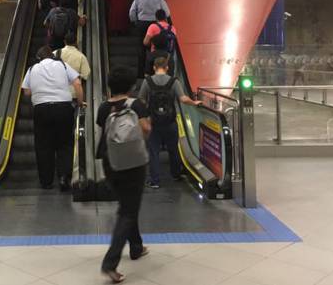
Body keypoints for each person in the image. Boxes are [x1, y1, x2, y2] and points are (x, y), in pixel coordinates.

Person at [96, 66, 150, 282]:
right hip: (134, 163)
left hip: (111, 162)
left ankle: (136, 246)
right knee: (127, 210)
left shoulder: (102, 108)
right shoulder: (136, 104)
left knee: (127, 204)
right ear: (131, 85)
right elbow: (146, 128)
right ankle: (110, 263)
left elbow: (103, 131)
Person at [22, 45, 84, 191]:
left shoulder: (32, 69)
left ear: (39, 58)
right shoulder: (62, 65)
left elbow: (26, 92)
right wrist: (80, 102)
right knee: (65, 144)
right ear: (52, 55)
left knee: (44, 146)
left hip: (42, 110)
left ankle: (46, 181)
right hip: (63, 108)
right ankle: (64, 178)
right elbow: (77, 83)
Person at [139, 57, 201, 188]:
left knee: (154, 151)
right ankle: (176, 174)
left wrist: (145, 116)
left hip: (154, 122)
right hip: (170, 121)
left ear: (154, 67)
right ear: (167, 67)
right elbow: (183, 99)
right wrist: (194, 102)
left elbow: (141, 100)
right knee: (173, 149)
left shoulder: (147, 81)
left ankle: (155, 180)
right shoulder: (174, 81)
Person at [129, 0, 170, 78]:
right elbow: (167, 13)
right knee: (154, 49)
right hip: (155, 25)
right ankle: (153, 72)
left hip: (141, 24)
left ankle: (140, 74)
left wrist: (135, 21)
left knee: (141, 49)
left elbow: (132, 12)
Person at [56, 32, 90, 100]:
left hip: (56, 92)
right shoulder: (81, 56)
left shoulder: (56, 53)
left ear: (64, 42)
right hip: (72, 94)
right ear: (76, 42)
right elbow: (86, 75)